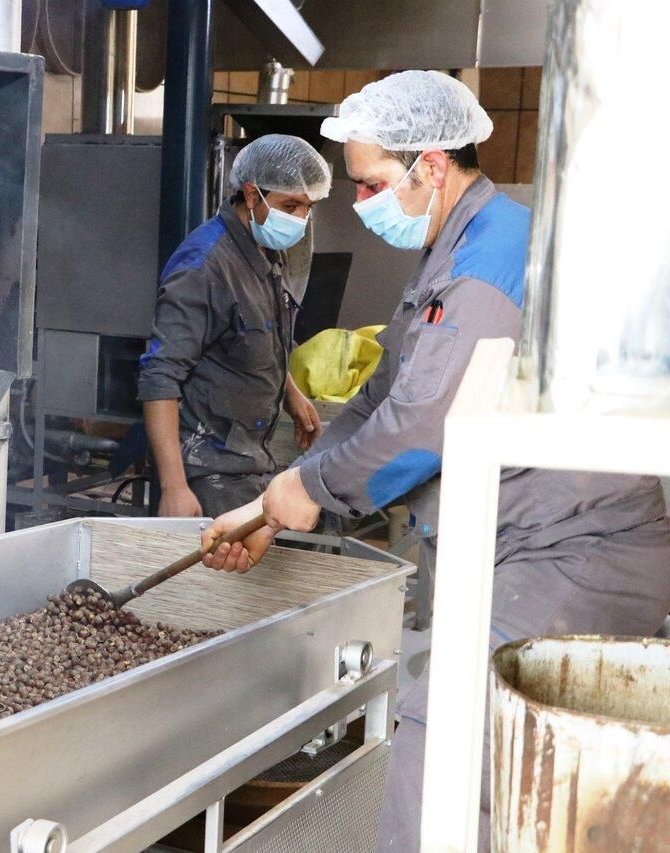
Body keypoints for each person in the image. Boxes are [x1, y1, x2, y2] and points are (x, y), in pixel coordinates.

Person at [199, 70, 670, 851]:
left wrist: (308, 487)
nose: (360, 203)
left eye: (371, 181)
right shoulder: (460, 244)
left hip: (571, 552)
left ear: (431, 164)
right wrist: (269, 509)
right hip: (534, 544)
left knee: (443, 756)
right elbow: (385, 393)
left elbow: (421, 424)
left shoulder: (486, 266)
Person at [138, 134, 329, 518]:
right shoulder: (204, 266)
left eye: (306, 207)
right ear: (252, 194)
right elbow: (159, 376)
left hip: (249, 458)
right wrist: (174, 488)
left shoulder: (266, 249)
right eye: (289, 205)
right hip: (208, 472)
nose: (298, 219)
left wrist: (290, 393)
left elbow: (258, 334)